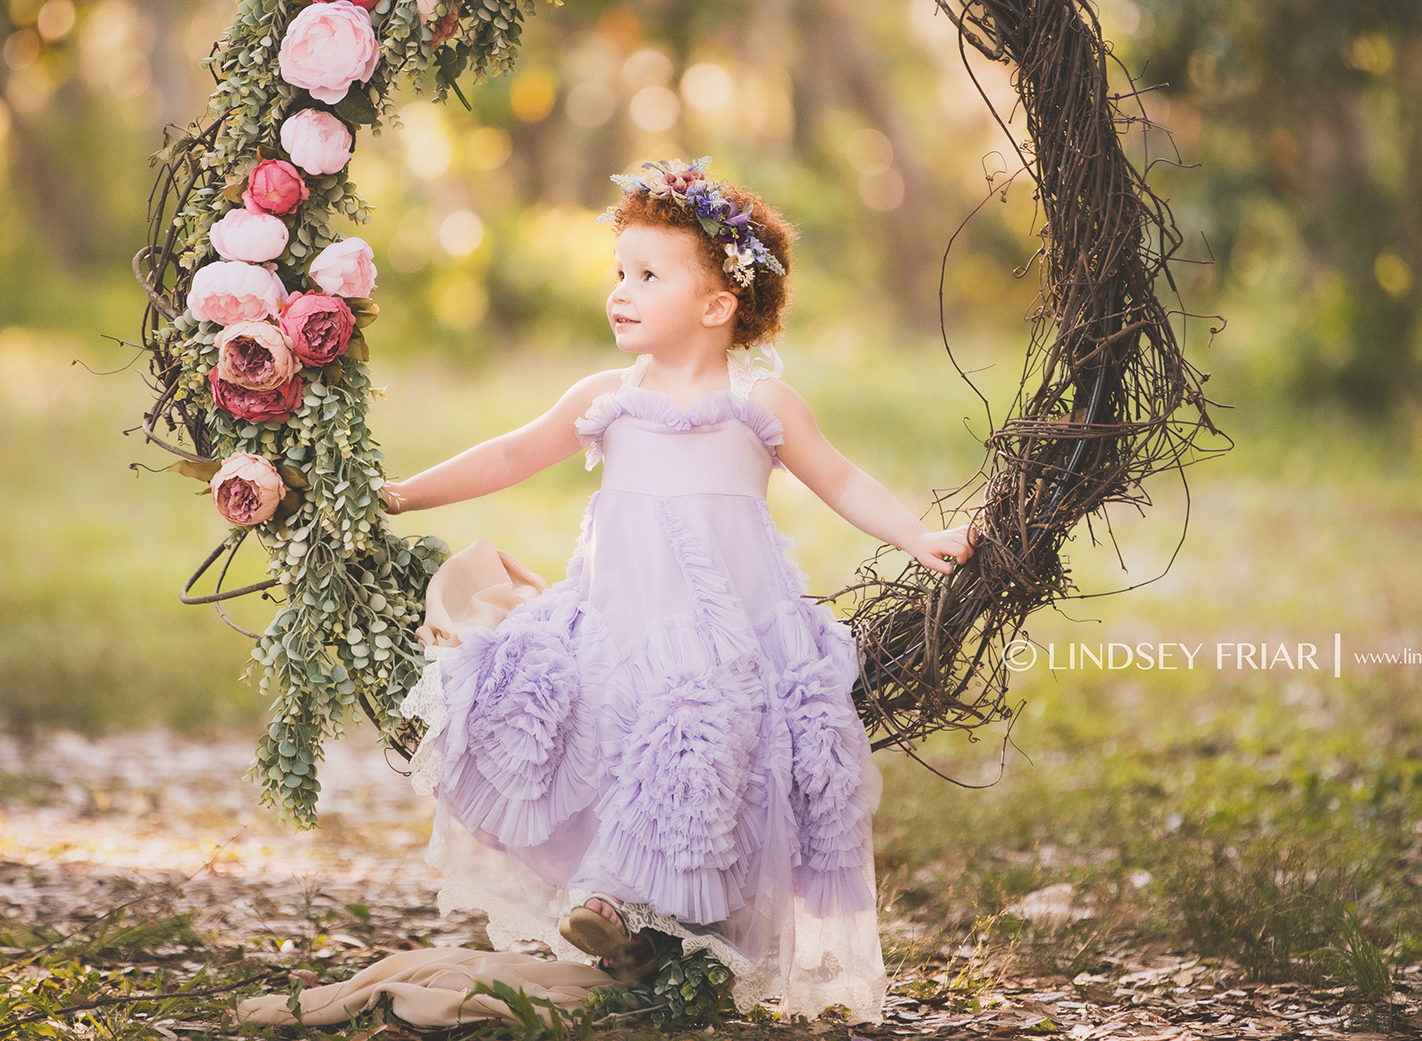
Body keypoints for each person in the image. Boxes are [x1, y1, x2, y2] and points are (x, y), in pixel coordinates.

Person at [378, 156, 975, 1023]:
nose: (619, 291)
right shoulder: (609, 398)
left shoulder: (758, 403)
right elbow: (509, 453)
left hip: (726, 636)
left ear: (716, 304)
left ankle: (639, 916)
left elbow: (842, 481)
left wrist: (921, 535)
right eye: (618, 273)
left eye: (647, 276)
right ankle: (621, 911)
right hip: (619, 621)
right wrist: (396, 493)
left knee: (707, 739)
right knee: (600, 732)